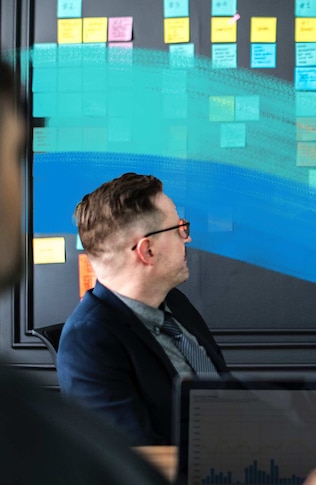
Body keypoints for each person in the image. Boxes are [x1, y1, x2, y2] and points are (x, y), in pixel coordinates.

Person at [0, 58, 170, 483]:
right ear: (146, 250)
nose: (17, 191)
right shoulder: (88, 344)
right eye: (12, 154)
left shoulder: (177, 309)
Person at [57, 173, 230, 445]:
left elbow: (226, 393)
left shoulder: (175, 303)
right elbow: (135, 463)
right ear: (146, 250)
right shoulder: (88, 343)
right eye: (179, 229)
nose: (188, 238)